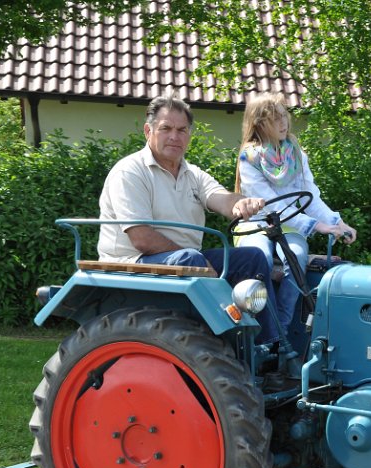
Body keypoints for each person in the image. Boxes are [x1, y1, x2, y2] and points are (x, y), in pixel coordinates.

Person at [98, 95, 280, 345]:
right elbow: (141, 238)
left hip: (182, 260)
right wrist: (199, 262)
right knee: (191, 259)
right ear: (148, 131)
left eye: (182, 130)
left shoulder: (192, 173)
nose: (174, 136)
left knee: (252, 258)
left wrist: (239, 204)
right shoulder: (130, 171)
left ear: (189, 135)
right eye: (166, 129)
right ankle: (220, 343)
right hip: (132, 263)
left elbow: (220, 198)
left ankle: (267, 347)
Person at [234, 93, 357, 332]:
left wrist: (337, 223)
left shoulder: (297, 155)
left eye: (284, 116)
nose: (284, 123)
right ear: (259, 123)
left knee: (296, 257)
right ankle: (258, 327)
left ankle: (280, 329)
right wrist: (315, 226)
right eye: (275, 118)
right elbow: (272, 205)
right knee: (260, 258)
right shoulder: (249, 158)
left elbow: (311, 198)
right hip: (255, 224)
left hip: (289, 226)